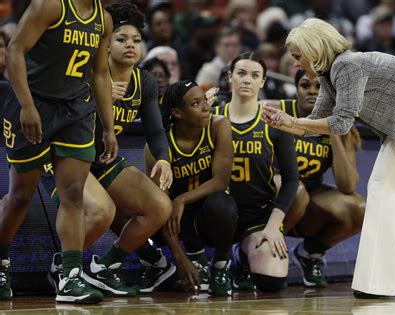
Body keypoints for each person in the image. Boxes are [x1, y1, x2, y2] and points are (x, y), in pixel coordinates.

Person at [262, 18, 395, 298]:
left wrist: (293, 121)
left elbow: (342, 124)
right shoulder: (328, 74)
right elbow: (316, 122)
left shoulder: (346, 65)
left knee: (381, 192)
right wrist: (286, 124)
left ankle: (381, 285)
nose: (295, 63)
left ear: (314, 49)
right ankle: (394, 280)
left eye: (298, 56)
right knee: (387, 197)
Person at [41, 3, 173, 297]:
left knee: (160, 206)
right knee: (102, 211)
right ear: (106, 43)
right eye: (121, 39)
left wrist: (163, 159)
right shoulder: (85, 73)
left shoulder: (144, 81)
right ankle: (68, 268)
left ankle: (105, 266)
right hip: (68, 156)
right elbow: (59, 115)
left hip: (103, 160)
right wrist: (95, 100)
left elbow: (155, 130)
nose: (130, 46)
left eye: (136, 41)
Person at [0, 0, 117, 304]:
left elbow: (101, 74)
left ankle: (70, 276)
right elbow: (14, 51)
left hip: (75, 110)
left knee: (74, 192)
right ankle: (0, 263)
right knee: (19, 198)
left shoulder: (103, 20)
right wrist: (26, 105)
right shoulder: (50, 5)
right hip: (33, 104)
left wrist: (108, 126)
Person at [268, 70, 365, 288]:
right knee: (295, 190)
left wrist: (331, 131)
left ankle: (309, 253)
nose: (312, 92)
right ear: (296, 90)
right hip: (268, 194)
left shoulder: (340, 123)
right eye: (305, 86)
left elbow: (348, 185)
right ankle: (258, 247)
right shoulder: (278, 109)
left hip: (307, 199)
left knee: (359, 209)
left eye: (320, 87)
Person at [213, 52, 298, 293]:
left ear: (262, 81)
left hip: (257, 216)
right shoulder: (211, 117)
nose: (247, 80)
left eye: (254, 75)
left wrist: (273, 226)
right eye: (241, 73)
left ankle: (240, 257)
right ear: (230, 77)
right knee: (218, 206)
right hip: (216, 212)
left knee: (272, 281)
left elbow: (291, 181)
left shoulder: (274, 123)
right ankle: (214, 260)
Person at [144, 80, 238, 296]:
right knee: (161, 206)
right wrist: (181, 259)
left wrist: (182, 199)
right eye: (196, 103)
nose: (206, 107)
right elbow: (160, 207)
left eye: (205, 100)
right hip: (176, 221)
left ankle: (221, 265)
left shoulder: (219, 125)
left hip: (208, 210)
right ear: (177, 113)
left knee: (223, 205)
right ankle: (193, 261)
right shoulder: (158, 146)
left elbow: (221, 181)